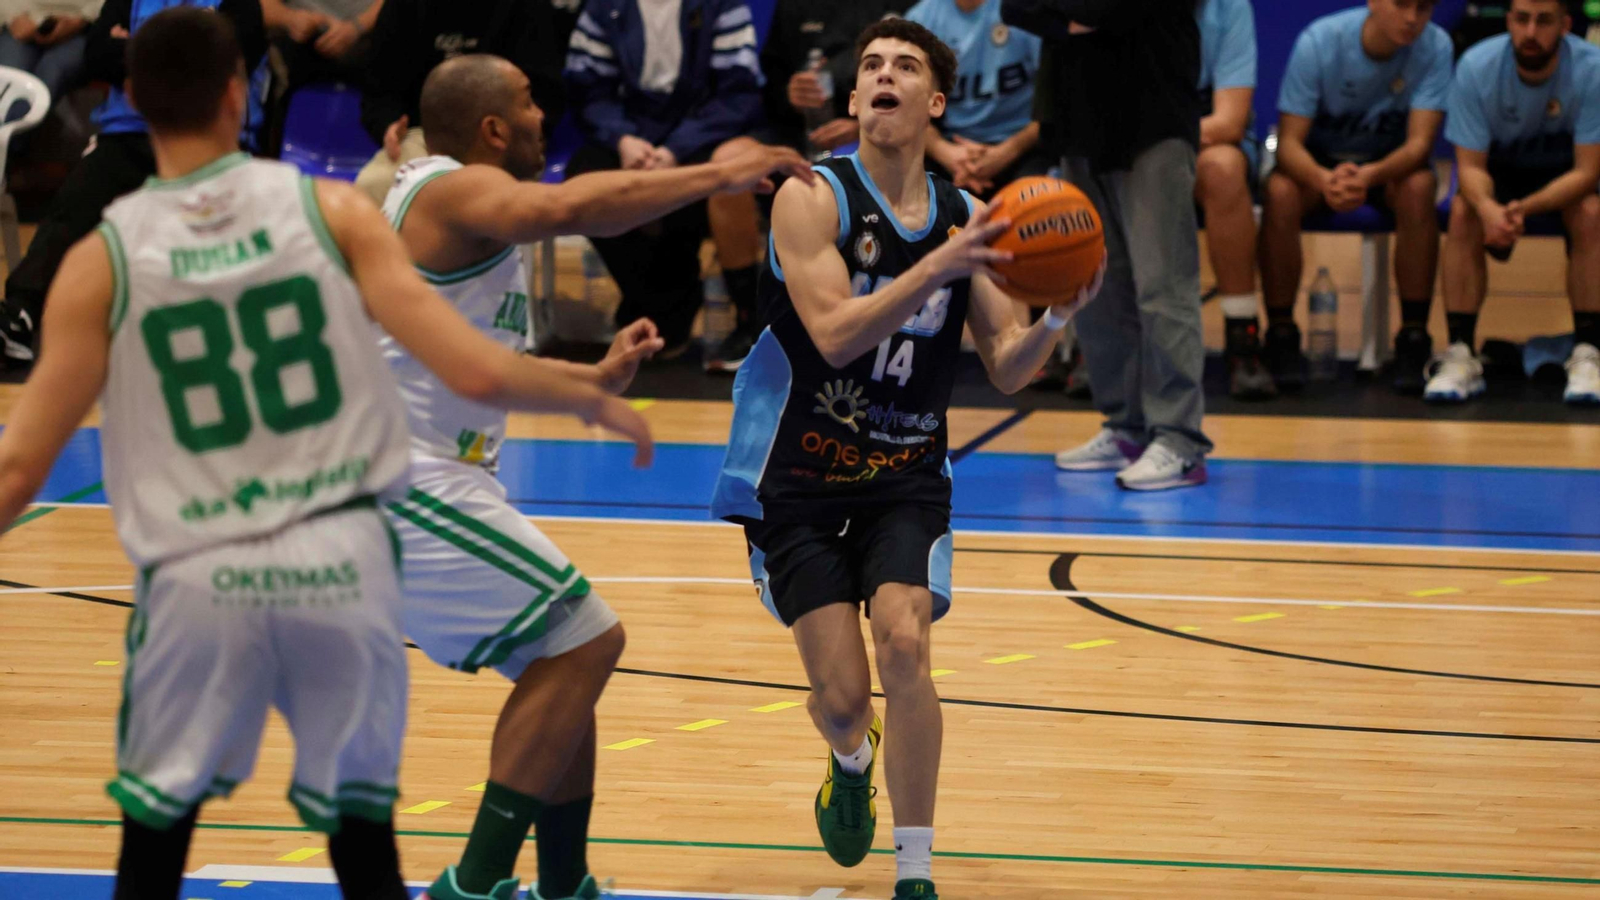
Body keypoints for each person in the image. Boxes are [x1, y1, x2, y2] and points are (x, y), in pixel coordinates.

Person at [0, 9, 653, 899]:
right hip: (328, 555)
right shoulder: (330, 209)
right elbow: (467, 364)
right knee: (361, 844)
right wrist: (587, 392)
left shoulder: (104, 257)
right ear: (241, 94)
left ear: (130, 101)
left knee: (154, 846)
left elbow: (18, 470)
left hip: (198, 571)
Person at [379, 54, 812, 900]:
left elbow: (476, 364)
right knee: (588, 641)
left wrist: (593, 378)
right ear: (493, 129)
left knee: (566, 651)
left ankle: (564, 883)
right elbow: (573, 207)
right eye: (529, 101)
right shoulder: (452, 190)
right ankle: (473, 884)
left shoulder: (457, 218)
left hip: (433, 480)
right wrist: (719, 173)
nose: (544, 115)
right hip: (404, 481)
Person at [711, 19, 1100, 900]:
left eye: (906, 66)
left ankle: (915, 872)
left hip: (903, 469)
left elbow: (1006, 365)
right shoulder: (812, 198)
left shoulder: (968, 218)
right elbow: (834, 336)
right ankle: (850, 759)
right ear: (854, 99)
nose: (885, 74)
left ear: (935, 102)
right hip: (795, 473)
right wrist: (938, 268)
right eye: (872, 65)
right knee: (845, 701)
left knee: (905, 644)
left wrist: (1057, 316)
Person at [1003, 0, 1211, 491]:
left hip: (1153, 114)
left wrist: (1062, 16)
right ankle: (1126, 426)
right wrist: (1069, 19)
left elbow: (1103, 10)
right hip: (1078, 117)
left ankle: (1179, 440)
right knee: (1098, 286)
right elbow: (1013, 7)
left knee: (1162, 288)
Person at [0, 0, 267, 366]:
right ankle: (19, 314)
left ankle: (221, 330)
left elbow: (229, 62)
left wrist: (133, 48)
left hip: (206, 138)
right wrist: (185, 50)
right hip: (128, 134)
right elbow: (97, 56)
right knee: (75, 204)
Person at [1258, 0, 1453, 393]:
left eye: (1423, 8)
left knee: (1419, 188)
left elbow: (1419, 145)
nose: (1412, 18)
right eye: (1401, 4)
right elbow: (1289, 144)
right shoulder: (1320, 42)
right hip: (1320, 166)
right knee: (1279, 191)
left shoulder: (1436, 46)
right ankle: (1280, 335)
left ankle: (1413, 338)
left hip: (1389, 168)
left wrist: (1369, 176)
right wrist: (1324, 180)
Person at [563, 0, 767, 373]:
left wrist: (675, 149)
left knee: (717, 176)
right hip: (628, 140)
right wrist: (623, 139)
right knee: (584, 180)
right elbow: (587, 90)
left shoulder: (723, 6)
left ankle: (724, 313)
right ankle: (658, 303)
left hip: (702, 135)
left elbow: (737, 95)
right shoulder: (603, 7)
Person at [1431, 0, 1600, 404]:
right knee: (1463, 210)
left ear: (1565, 25)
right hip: (1498, 176)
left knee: (1591, 211)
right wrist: (1490, 209)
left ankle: (1588, 353)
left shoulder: (1592, 70)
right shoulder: (1477, 67)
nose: (1530, 32)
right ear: (1508, 21)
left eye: (1543, 21)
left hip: (1563, 180)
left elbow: (1587, 172)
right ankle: (1460, 353)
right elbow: (1469, 168)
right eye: (1522, 19)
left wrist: (1522, 210)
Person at [354, 0, 576, 203]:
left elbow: (545, 93)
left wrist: (521, 130)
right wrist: (389, 125)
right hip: (425, 136)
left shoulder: (528, 7)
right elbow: (380, 90)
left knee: (491, 194)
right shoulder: (404, 6)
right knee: (374, 183)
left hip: (504, 137)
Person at [1195, 0, 1273, 399]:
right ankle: (1098, 342)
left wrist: (1158, 133)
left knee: (1223, 169)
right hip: (1140, 141)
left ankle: (1243, 336)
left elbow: (1228, 122)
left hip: (1204, 142)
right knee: (1101, 167)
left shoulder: (1228, 8)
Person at [908, 0, 1046, 198]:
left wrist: (1009, 151)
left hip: (1024, 146)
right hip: (952, 151)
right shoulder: (921, 20)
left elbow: (1058, 101)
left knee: (1039, 201)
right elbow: (907, 110)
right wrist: (944, 151)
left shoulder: (1027, 8)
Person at [758, 0, 914, 158]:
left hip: (892, 143)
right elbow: (770, 87)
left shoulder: (910, 8)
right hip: (808, 142)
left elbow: (923, 89)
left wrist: (867, 127)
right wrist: (790, 95)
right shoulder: (793, 6)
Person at [0, 0, 100, 102]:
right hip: (21, 17)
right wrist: (13, 15)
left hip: (81, 26)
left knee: (51, 75)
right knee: (8, 78)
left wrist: (82, 19)